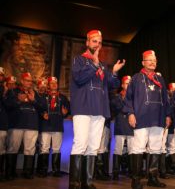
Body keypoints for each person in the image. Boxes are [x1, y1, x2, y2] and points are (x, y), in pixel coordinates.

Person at [69, 29, 125, 189]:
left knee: (93, 145)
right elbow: (79, 79)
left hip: (100, 109)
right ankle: (74, 183)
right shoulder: (78, 60)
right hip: (83, 107)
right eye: (94, 41)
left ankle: (87, 182)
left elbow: (113, 85)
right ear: (87, 43)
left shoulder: (102, 65)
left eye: (100, 42)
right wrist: (93, 65)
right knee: (80, 143)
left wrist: (113, 72)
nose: (97, 44)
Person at [123, 50, 171, 189]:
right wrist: (130, 113)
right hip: (141, 118)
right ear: (143, 62)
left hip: (158, 118)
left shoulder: (160, 79)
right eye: (149, 60)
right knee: (138, 148)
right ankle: (136, 180)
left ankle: (153, 178)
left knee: (156, 148)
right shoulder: (136, 78)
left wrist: (167, 115)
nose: (152, 62)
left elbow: (166, 100)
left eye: (154, 60)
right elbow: (128, 98)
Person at [4, 72, 45, 179]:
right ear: (22, 81)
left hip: (32, 125)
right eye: (27, 80)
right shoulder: (13, 91)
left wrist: (33, 101)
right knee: (13, 148)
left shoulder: (35, 93)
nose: (29, 82)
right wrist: (18, 100)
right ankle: (10, 173)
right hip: (16, 124)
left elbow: (43, 108)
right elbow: (7, 105)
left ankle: (27, 173)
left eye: (30, 81)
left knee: (30, 149)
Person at [38, 76, 70, 177]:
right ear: (48, 85)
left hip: (57, 126)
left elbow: (68, 109)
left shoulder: (63, 97)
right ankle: (43, 170)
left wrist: (66, 113)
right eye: (51, 83)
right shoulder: (43, 97)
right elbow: (38, 109)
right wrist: (43, 114)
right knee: (44, 148)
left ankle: (56, 170)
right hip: (46, 126)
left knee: (57, 149)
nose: (54, 85)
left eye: (55, 83)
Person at [110, 75, 134, 180]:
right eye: (127, 83)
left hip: (131, 125)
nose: (129, 85)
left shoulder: (135, 97)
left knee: (132, 149)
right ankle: (115, 172)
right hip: (120, 125)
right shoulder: (117, 97)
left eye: (130, 83)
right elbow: (116, 107)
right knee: (118, 149)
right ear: (122, 85)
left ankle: (131, 171)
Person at [0, 67, 8, 181]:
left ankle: (1, 172)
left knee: (1, 148)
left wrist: (5, 92)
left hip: (1, 123)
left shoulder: (4, 89)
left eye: (1, 75)